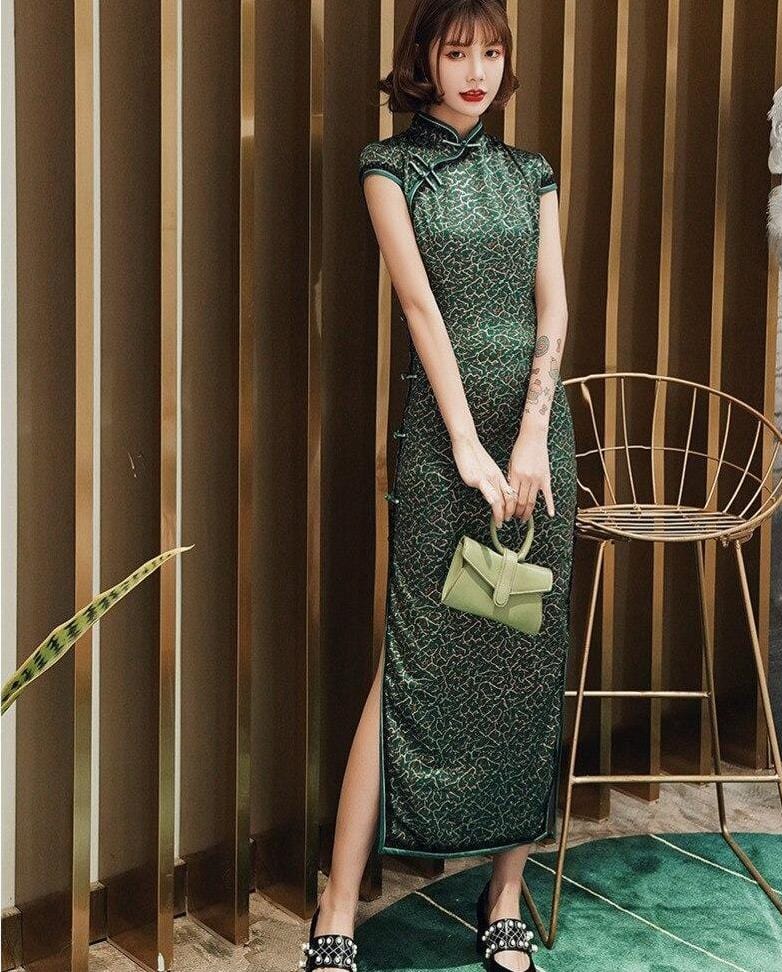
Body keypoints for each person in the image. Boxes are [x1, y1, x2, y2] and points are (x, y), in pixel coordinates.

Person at [298, 2, 577, 970]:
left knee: (524, 655)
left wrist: (530, 434)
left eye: (490, 52)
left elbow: (552, 305)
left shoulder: (529, 171)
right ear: (423, 58)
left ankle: (502, 896)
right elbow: (419, 306)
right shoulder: (388, 166)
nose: (476, 71)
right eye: (457, 52)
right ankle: (336, 909)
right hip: (441, 443)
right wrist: (464, 444)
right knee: (411, 659)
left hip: (536, 443)